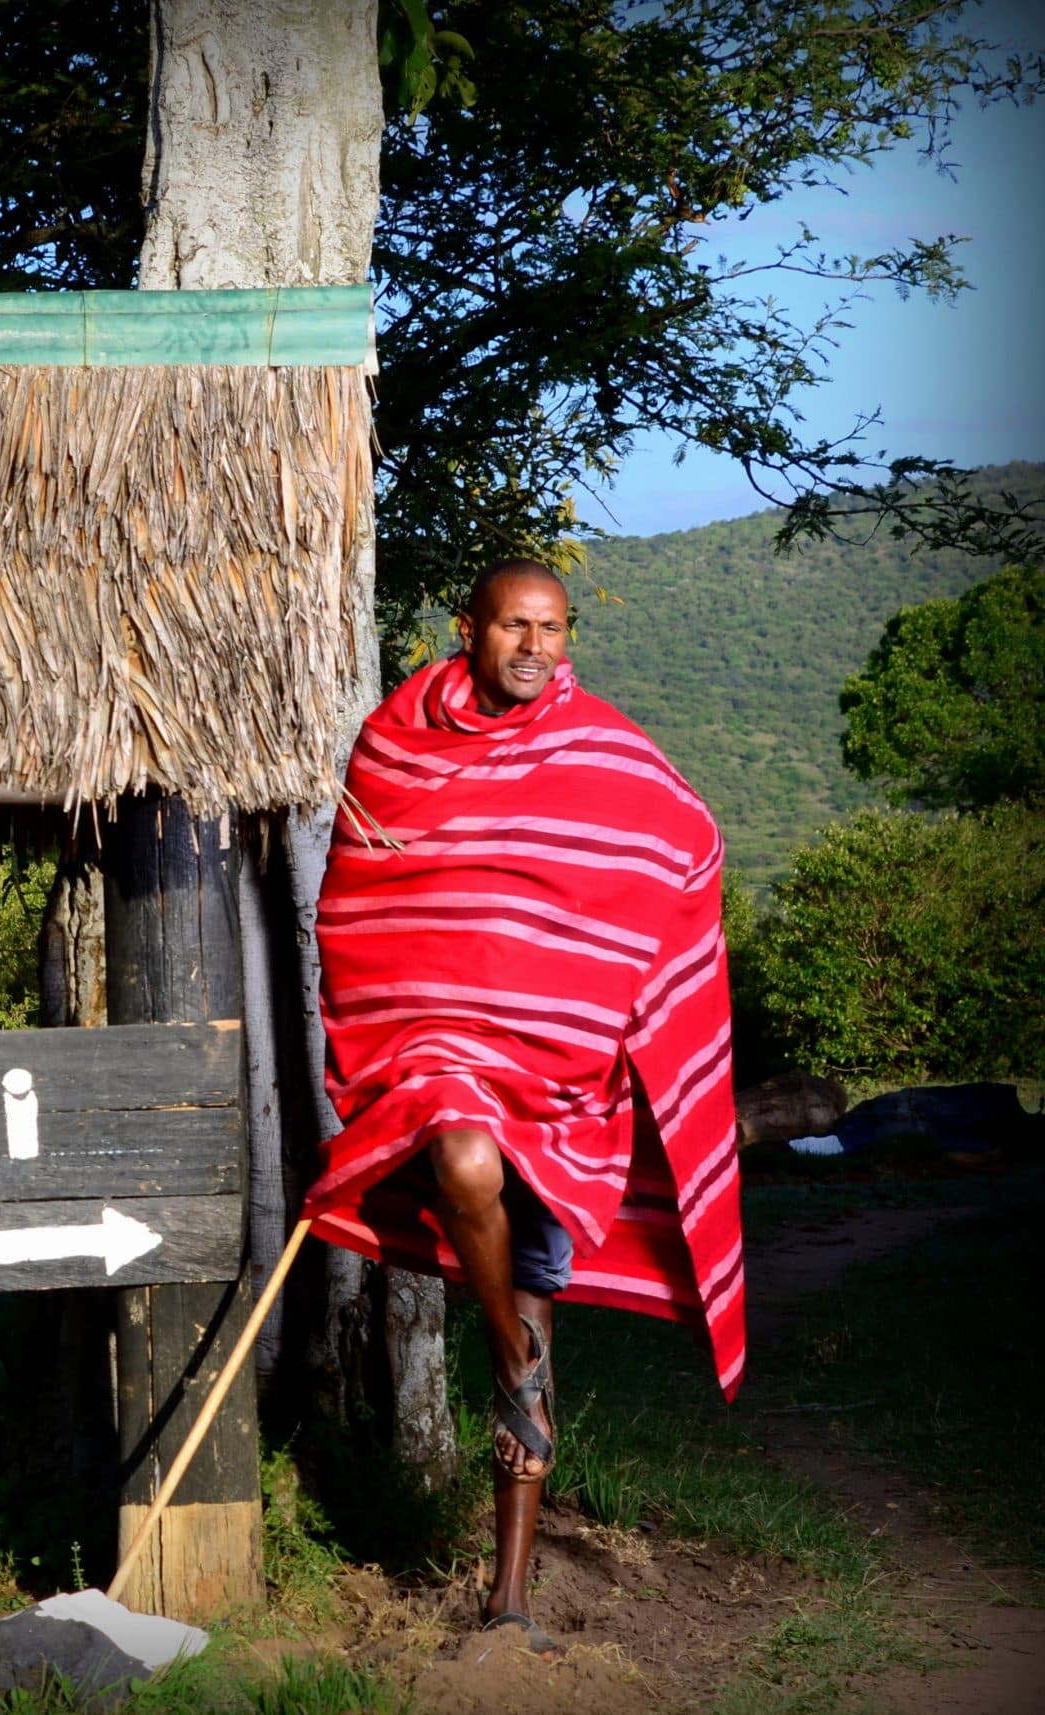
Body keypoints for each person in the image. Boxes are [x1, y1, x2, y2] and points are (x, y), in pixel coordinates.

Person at [298, 559, 747, 1657]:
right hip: (433, 1054)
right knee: (460, 1154)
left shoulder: (598, 745)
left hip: (557, 1082)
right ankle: (505, 1346)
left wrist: (612, 986)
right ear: (469, 628)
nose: (534, 646)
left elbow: (681, 836)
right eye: (513, 625)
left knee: (538, 1328)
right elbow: (360, 891)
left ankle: (508, 1602)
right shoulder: (397, 738)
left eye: (550, 627)